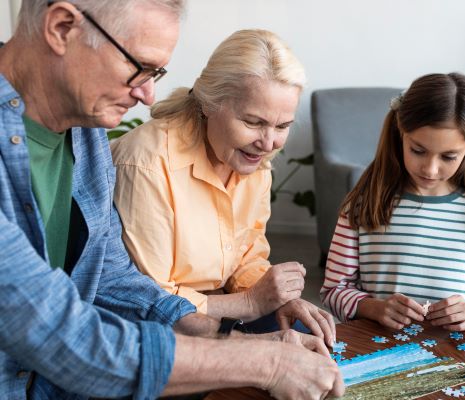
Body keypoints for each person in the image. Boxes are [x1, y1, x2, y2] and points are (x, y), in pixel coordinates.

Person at [0, 1, 343, 399]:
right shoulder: (135, 149)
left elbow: (116, 281)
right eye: (139, 66)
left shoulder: (86, 131)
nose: (149, 95)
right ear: (61, 28)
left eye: (155, 73)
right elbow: (62, 335)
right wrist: (263, 361)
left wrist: (235, 338)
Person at [110, 29, 336, 343]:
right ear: (208, 104)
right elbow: (150, 303)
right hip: (155, 329)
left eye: (282, 126)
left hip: (223, 308)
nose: (268, 142)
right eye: (253, 122)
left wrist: (283, 298)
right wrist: (251, 303)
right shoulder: (146, 161)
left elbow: (246, 258)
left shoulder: (254, 159)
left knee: (309, 335)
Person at [320, 73, 465, 332]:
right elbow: (334, 290)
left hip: (461, 359)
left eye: (448, 156)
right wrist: (375, 308)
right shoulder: (361, 205)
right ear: (400, 132)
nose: (430, 169)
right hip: (380, 355)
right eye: (418, 150)